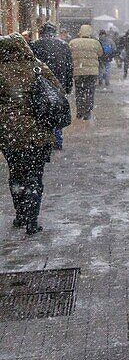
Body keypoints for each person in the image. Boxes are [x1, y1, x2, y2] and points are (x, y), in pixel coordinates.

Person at [0, 34, 62, 234]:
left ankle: (20, 215)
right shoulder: (37, 67)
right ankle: (32, 221)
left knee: (16, 174)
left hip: (9, 134)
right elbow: (57, 92)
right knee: (35, 175)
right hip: (38, 133)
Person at [29, 23, 73, 151]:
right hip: (59, 83)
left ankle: (44, 141)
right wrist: (68, 85)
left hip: (40, 84)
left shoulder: (35, 45)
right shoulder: (63, 46)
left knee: (41, 111)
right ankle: (57, 140)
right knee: (57, 110)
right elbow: (69, 67)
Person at [69, 25, 104, 120]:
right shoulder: (95, 43)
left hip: (78, 72)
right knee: (90, 92)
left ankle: (79, 112)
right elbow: (101, 53)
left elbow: (69, 54)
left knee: (79, 92)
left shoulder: (73, 42)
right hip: (92, 72)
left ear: (80, 32)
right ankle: (87, 112)